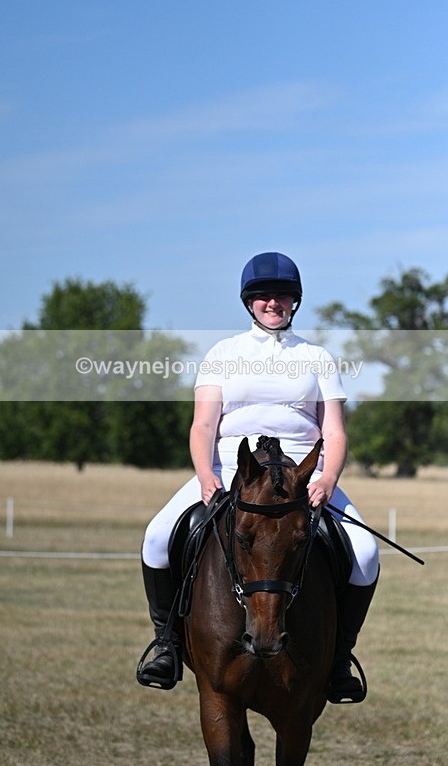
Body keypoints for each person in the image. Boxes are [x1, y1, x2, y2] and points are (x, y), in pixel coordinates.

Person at [138, 251, 379, 701]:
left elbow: (334, 430)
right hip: (232, 468)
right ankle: (167, 644)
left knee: (364, 554)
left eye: (283, 296)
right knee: (156, 538)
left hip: (302, 475)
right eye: (264, 296)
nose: (274, 303)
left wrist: (326, 479)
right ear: (250, 302)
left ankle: (340, 656)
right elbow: (204, 425)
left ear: (295, 302)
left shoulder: (317, 357)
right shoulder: (224, 353)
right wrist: (206, 475)